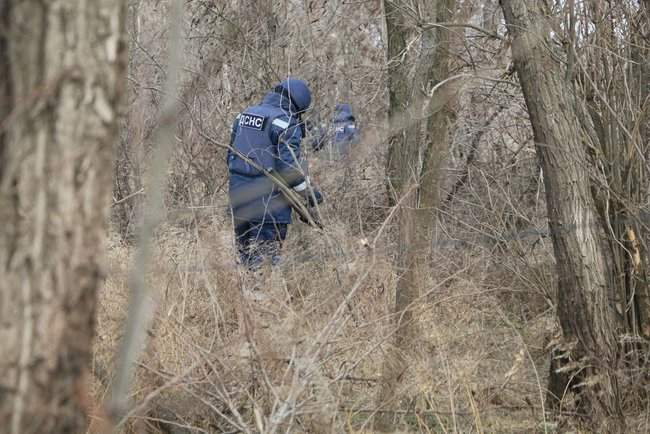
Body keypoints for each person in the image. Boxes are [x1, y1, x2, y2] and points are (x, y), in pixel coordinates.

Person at [227, 78, 323, 269]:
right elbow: (289, 170)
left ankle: (245, 296)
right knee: (264, 263)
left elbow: (230, 156)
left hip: (238, 200)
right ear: (298, 106)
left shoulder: (243, 115)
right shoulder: (286, 123)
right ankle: (259, 298)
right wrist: (310, 194)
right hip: (269, 206)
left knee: (245, 259)